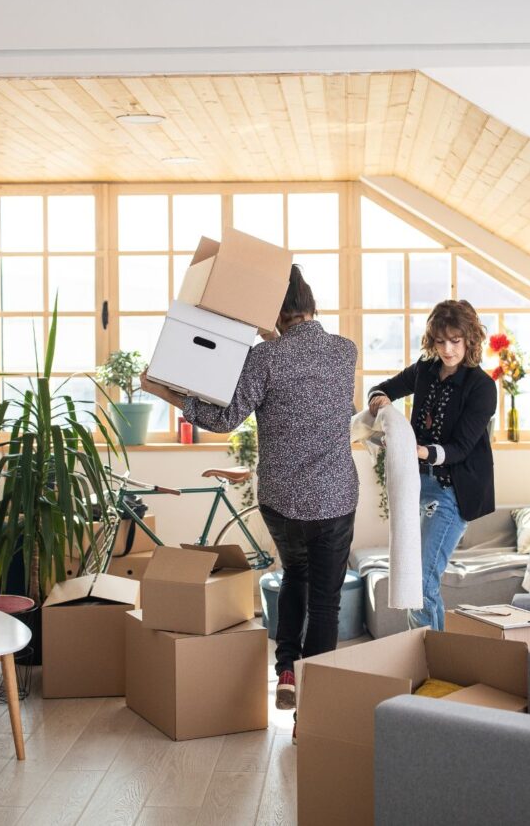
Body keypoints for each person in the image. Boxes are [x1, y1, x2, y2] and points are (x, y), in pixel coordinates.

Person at [141, 265, 359, 721]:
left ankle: (285, 673)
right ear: (312, 305)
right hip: (335, 499)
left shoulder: (265, 358)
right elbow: (343, 409)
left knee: (293, 575)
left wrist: (163, 390)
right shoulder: (345, 351)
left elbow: (223, 420)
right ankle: (314, 713)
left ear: (273, 315)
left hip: (282, 500)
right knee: (326, 602)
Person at [368, 299, 496, 631]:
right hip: (416, 486)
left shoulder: (482, 387)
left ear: (469, 338)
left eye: (455, 340)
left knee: (421, 581)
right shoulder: (425, 369)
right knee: (414, 582)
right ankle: (426, 656)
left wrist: (418, 450)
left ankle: (431, 666)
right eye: (440, 341)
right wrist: (379, 398)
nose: (448, 349)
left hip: (454, 491)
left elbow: (460, 448)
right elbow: (382, 388)